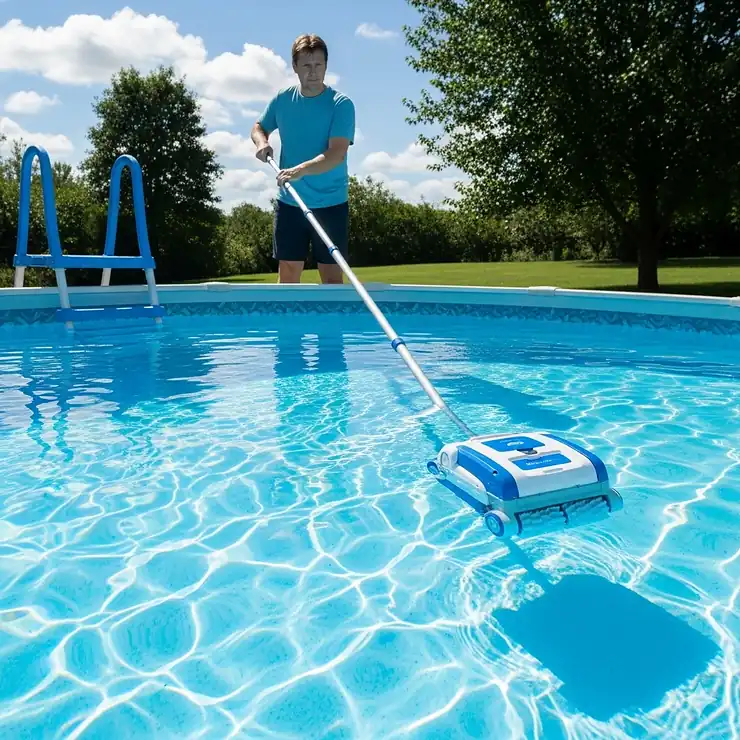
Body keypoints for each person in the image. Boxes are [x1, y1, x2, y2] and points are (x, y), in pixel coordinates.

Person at [251, 34, 356, 285]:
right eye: (306, 66)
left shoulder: (341, 105)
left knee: (331, 279)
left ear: (326, 66)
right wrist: (262, 143)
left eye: (318, 65)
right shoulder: (283, 99)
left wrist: (299, 170)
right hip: (290, 203)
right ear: (295, 67)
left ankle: (332, 326)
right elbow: (258, 127)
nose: (313, 72)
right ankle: (289, 326)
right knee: (287, 274)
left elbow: (336, 154)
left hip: (330, 203)